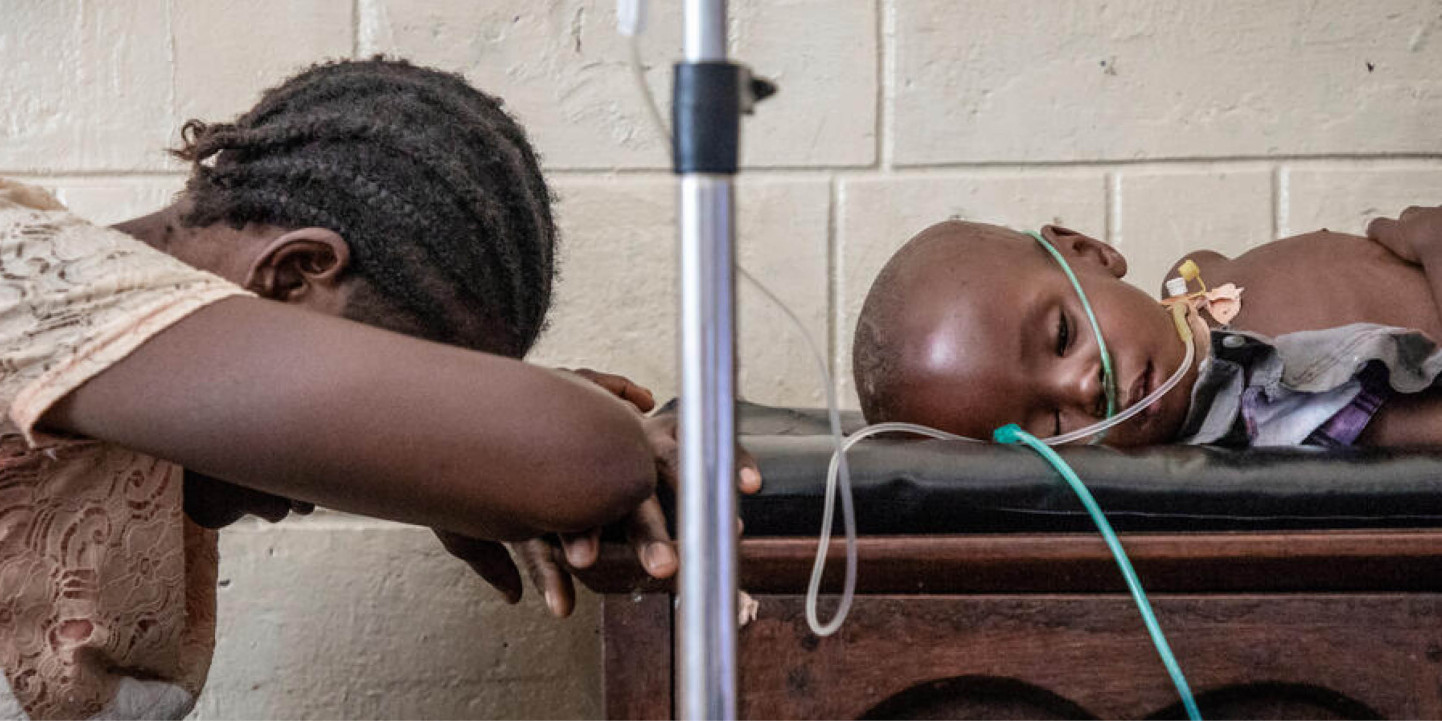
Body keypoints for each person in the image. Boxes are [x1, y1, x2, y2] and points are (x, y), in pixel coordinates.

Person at [0, 57, 755, 720]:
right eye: (388, 380)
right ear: (293, 271)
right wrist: (480, 458)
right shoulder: (28, 278)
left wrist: (452, 464)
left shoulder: (115, 386)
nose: (379, 422)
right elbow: (590, 456)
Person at [852, 208, 1442, 448]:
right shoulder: (1269, 409)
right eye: (1054, 427)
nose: (1084, 391)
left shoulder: (1190, 286)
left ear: (1088, 250)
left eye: (1062, 336)